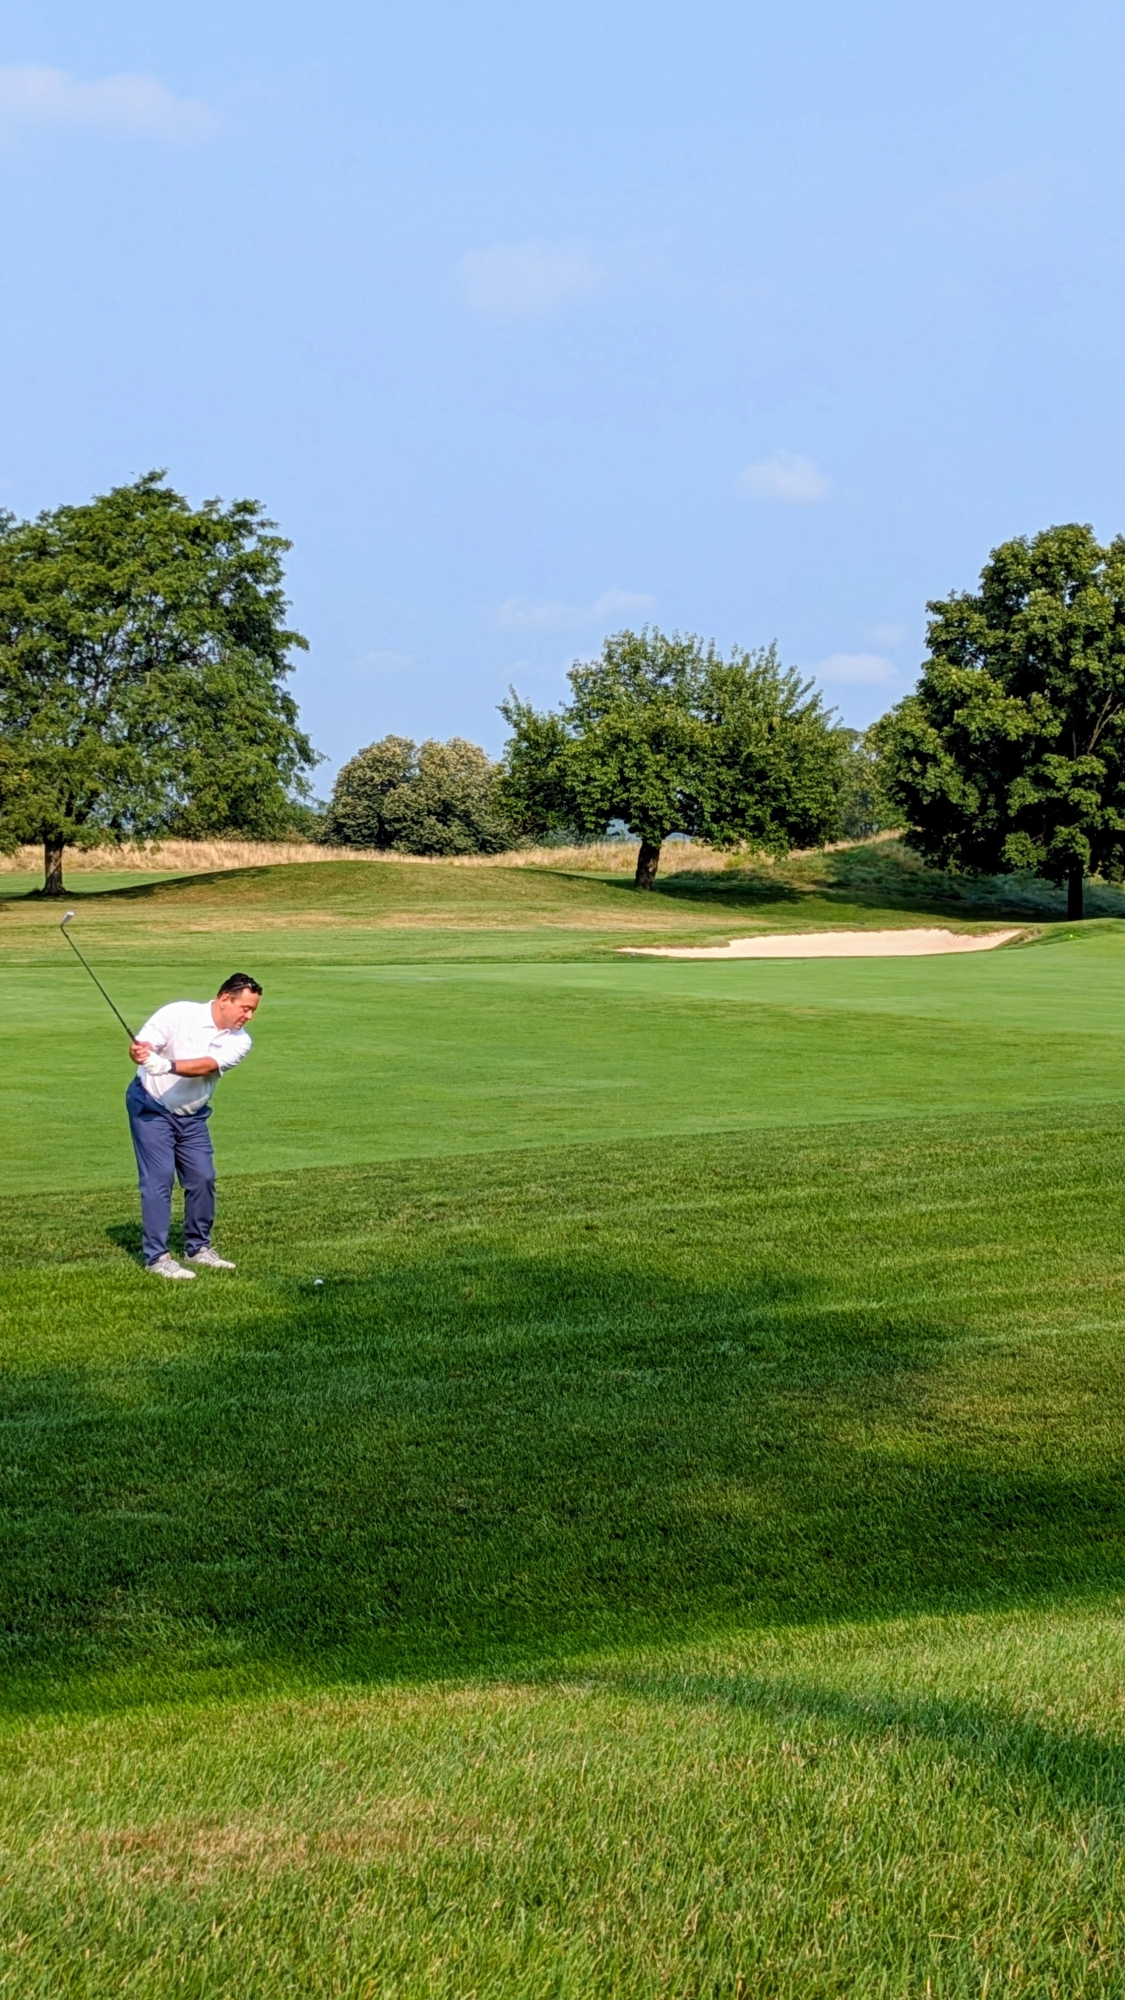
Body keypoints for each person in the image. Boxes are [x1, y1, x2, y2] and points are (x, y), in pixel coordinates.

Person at [126, 974, 262, 1279]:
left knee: (202, 1177)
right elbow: (145, 1046)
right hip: (151, 1106)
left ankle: (198, 1248)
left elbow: (207, 1066)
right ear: (225, 999)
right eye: (245, 1008)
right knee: (159, 1180)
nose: (249, 1016)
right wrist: (141, 1052)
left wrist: (167, 1065)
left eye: (253, 1010)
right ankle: (157, 1258)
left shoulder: (240, 1041)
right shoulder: (179, 1013)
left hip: (193, 1115)